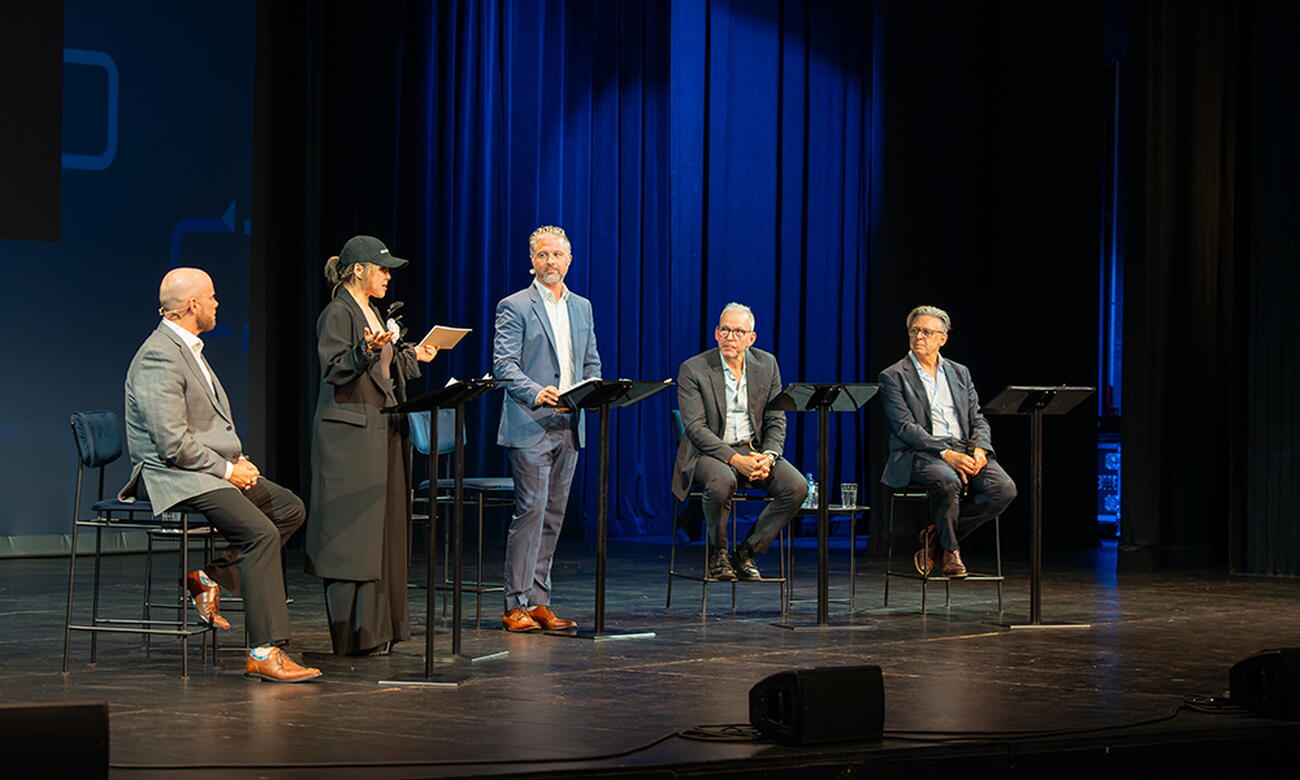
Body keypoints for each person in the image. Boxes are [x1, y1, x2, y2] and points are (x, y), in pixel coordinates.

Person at [120, 268, 320, 682]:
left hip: (203, 469)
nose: (216, 304)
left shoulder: (188, 348)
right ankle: (265, 650)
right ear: (192, 305)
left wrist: (236, 462)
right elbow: (171, 444)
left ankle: (210, 576)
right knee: (260, 533)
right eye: (211, 298)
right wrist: (229, 470)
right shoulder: (159, 355)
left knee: (287, 508)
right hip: (173, 474)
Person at [305, 235, 438, 656]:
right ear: (359, 269)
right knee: (353, 535)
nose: (387, 277)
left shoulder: (374, 312)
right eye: (382, 269)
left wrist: (415, 354)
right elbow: (335, 368)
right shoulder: (336, 313)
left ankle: (380, 630)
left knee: (383, 531)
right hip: (350, 437)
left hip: (384, 430)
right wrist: (367, 349)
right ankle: (354, 633)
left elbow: (385, 369)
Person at [491, 225, 601, 632]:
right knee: (531, 511)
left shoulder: (583, 307)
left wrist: (589, 391)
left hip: (570, 423)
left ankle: (538, 600)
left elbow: (591, 361)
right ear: (531, 261)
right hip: (532, 422)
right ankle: (514, 603)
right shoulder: (514, 305)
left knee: (554, 514)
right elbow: (504, 366)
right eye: (542, 255)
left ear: (569, 260)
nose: (550, 262)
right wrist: (538, 393)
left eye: (556, 255)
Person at [878, 305, 1017, 577]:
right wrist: (945, 453)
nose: (919, 337)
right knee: (947, 480)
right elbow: (905, 428)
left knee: (1004, 489)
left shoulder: (959, 373)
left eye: (927, 332)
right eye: (914, 331)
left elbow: (977, 417)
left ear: (943, 338)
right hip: (918, 451)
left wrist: (979, 449)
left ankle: (935, 538)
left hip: (964, 447)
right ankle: (951, 551)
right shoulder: (893, 375)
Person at [672, 303, 808, 580]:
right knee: (723, 480)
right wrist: (736, 460)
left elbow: (776, 419)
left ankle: (746, 552)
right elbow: (696, 429)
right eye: (725, 330)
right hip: (706, 453)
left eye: (738, 332)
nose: (730, 337)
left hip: (753, 449)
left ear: (751, 338)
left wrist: (768, 456)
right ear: (716, 333)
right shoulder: (693, 369)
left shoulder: (766, 364)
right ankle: (718, 554)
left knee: (796, 487)